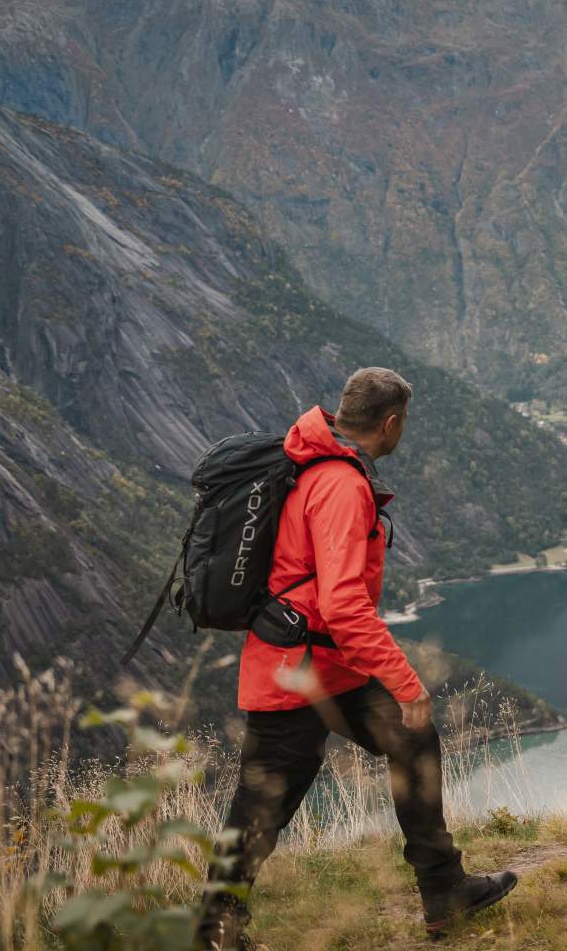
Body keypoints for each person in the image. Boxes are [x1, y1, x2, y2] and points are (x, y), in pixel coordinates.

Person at [197, 368, 516, 948]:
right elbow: (343, 604)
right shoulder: (341, 484)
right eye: (404, 423)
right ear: (391, 423)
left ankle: (446, 891)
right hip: (295, 675)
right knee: (262, 808)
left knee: (412, 740)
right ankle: (215, 932)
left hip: (329, 665)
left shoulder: (314, 462)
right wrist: (406, 682)